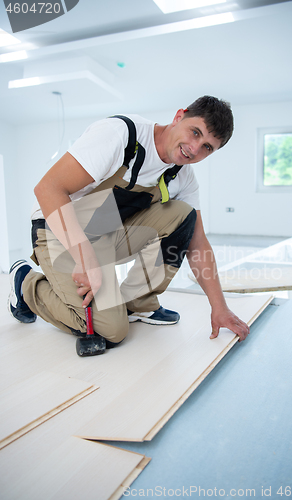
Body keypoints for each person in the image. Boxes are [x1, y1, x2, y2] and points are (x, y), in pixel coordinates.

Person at [8, 95, 249, 351]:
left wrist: (220, 307)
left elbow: (198, 244)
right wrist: (84, 256)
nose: (195, 148)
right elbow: (48, 188)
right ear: (179, 116)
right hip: (57, 231)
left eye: (207, 147)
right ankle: (25, 284)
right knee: (111, 330)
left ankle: (138, 303)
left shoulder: (183, 177)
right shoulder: (121, 135)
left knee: (183, 215)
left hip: (105, 234)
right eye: (195, 132)